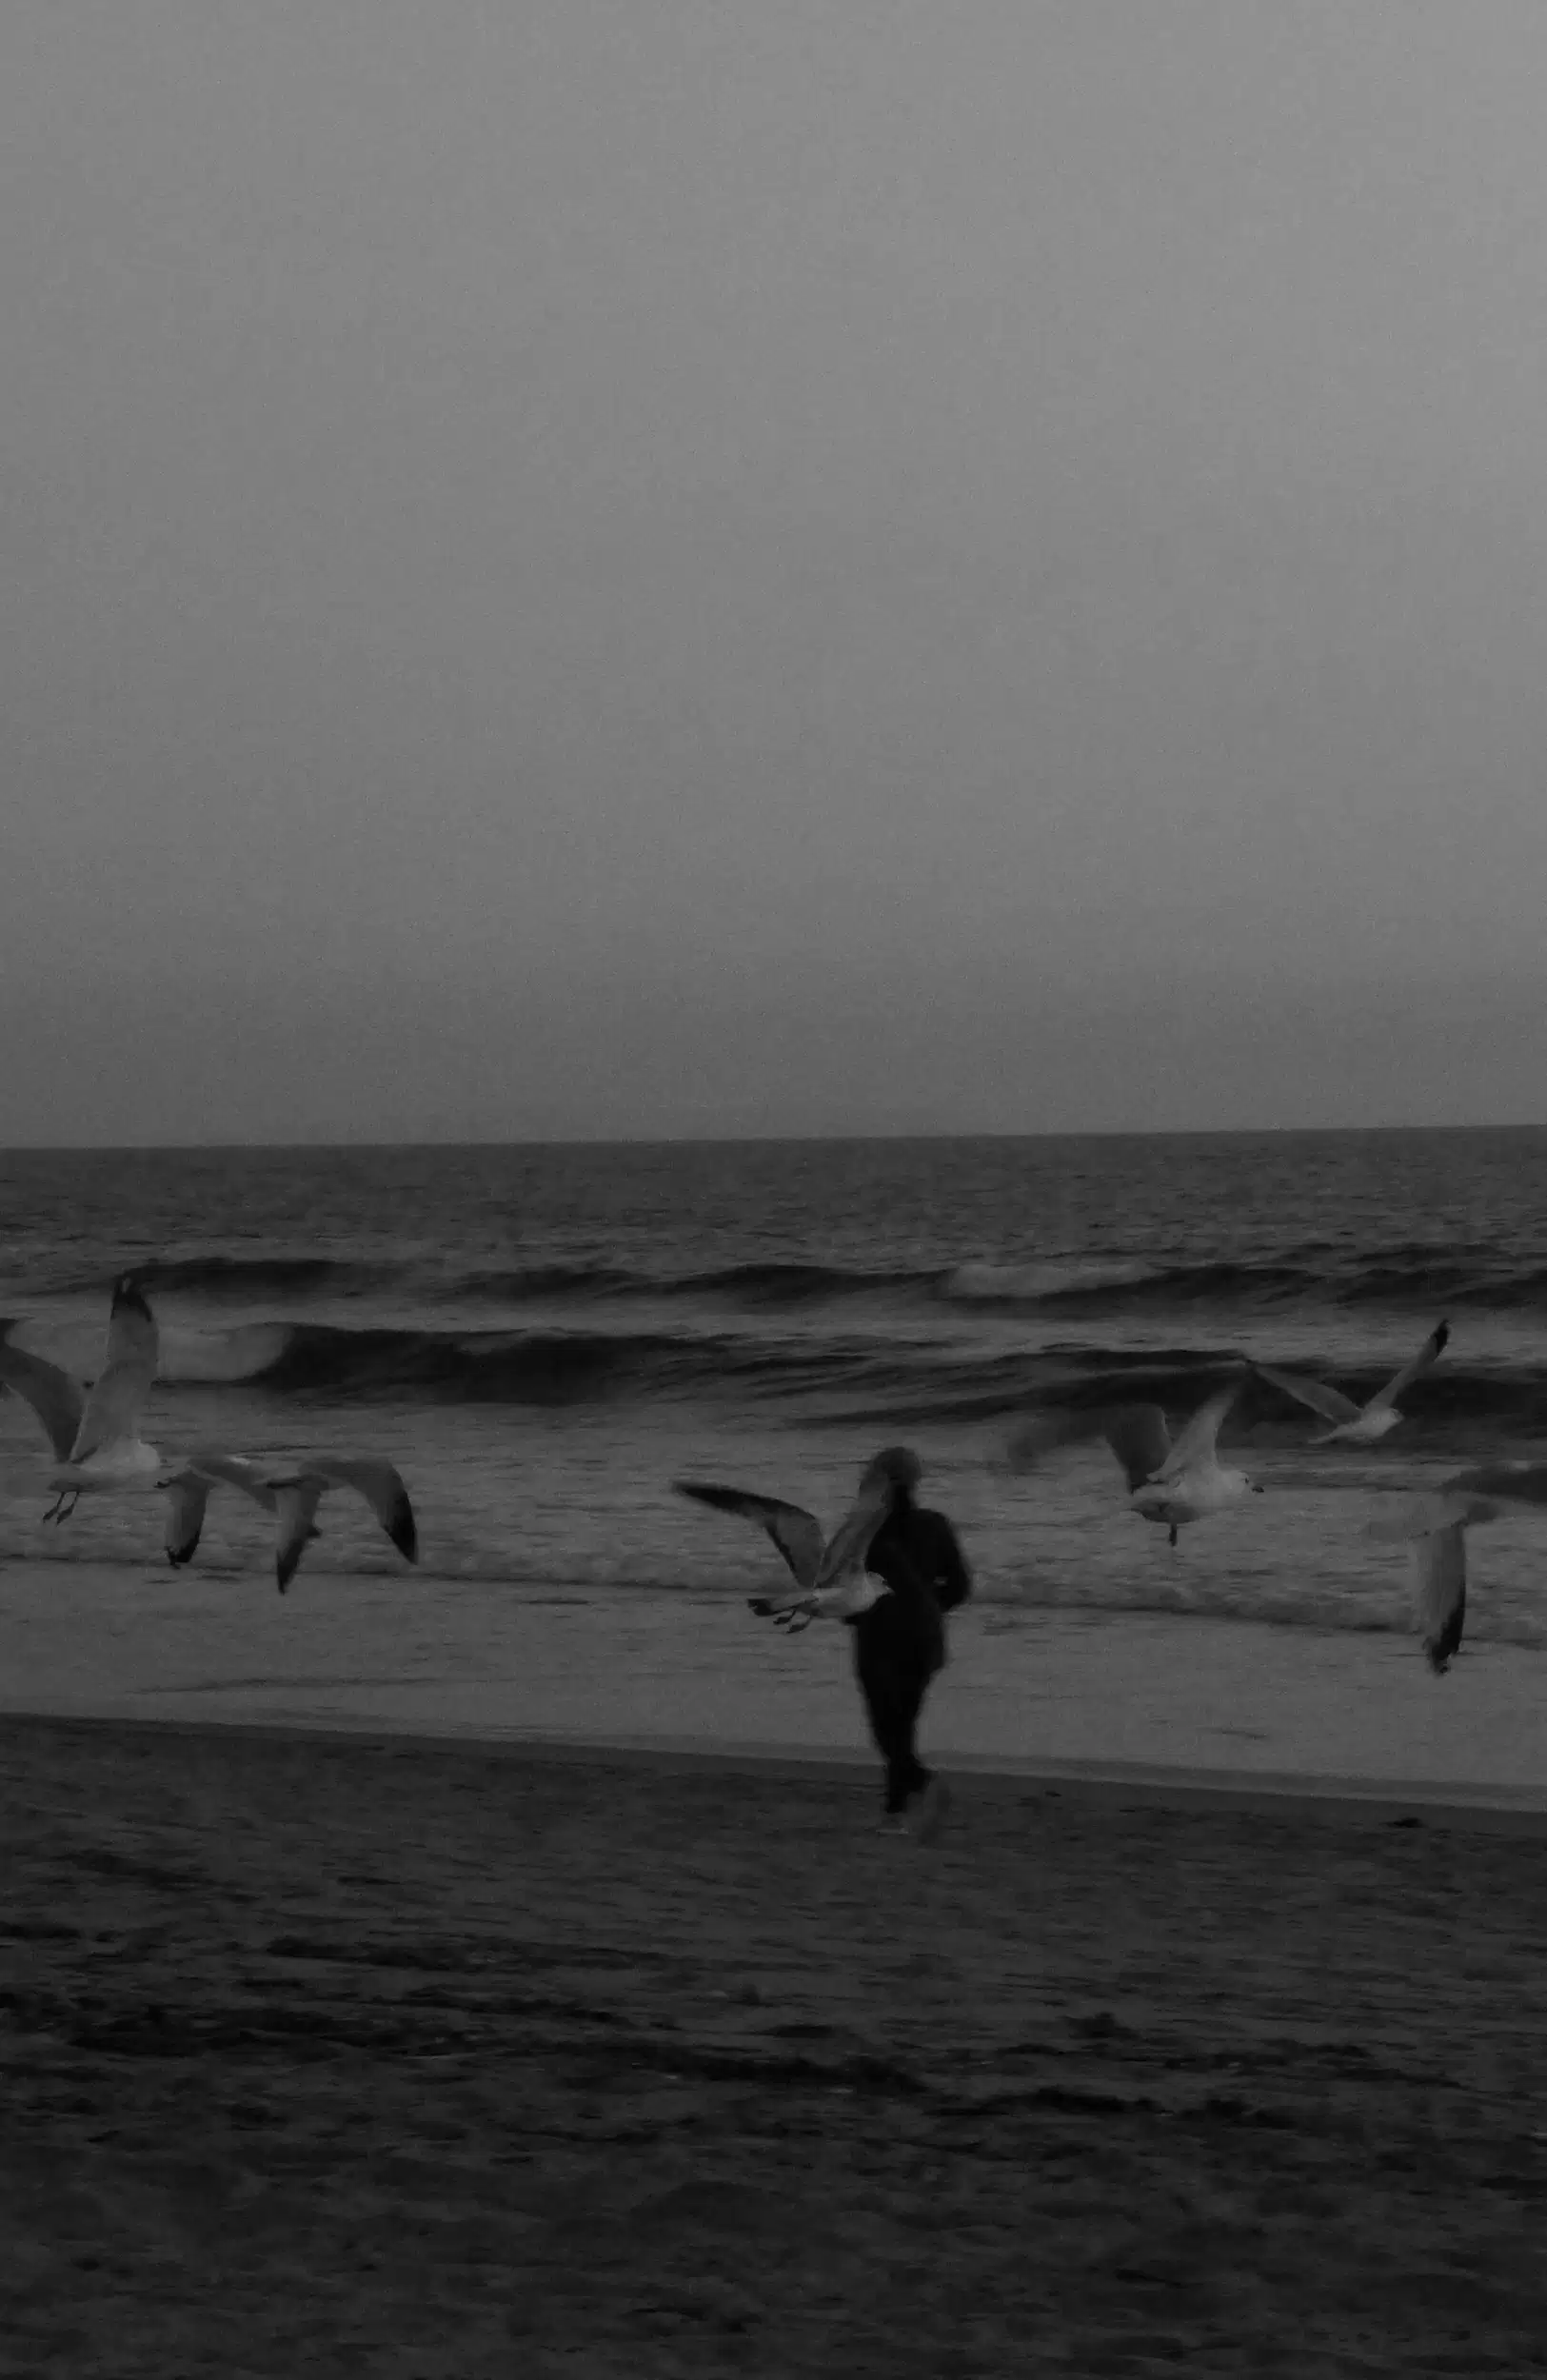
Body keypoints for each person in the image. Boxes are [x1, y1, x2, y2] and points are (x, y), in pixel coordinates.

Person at [845, 1445, 972, 1837]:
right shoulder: (936, 1525)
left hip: (880, 1639)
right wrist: (929, 1610)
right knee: (902, 1726)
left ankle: (920, 1788)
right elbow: (960, 1587)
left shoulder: (865, 1530)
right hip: (925, 1639)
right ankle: (896, 1810)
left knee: (889, 1730)